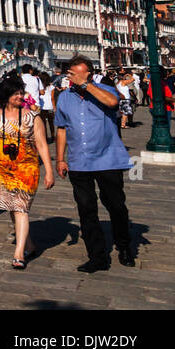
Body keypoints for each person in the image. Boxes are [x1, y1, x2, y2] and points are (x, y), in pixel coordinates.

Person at [55, 56, 134, 272]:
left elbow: (112, 103)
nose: (72, 78)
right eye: (70, 74)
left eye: (77, 74)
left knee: (116, 205)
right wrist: (60, 158)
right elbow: (61, 128)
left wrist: (86, 85)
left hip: (107, 158)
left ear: (88, 73)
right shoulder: (64, 98)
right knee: (86, 209)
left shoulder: (104, 90)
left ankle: (124, 245)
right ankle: (97, 257)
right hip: (79, 161)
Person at [0, 76, 54, 269]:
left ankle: (19, 253)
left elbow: (42, 145)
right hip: (1, 168)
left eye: (21, 92)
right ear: (6, 95)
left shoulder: (32, 117)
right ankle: (29, 244)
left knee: (21, 207)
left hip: (26, 168)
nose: (20, 96)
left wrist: (49, 171)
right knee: (11, 207)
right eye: (16, 93)